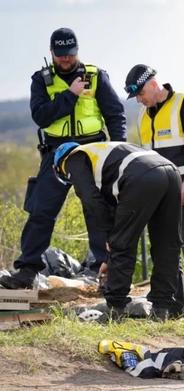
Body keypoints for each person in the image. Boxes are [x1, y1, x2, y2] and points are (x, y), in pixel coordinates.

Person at [0, 28, 126, 290]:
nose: (66, 60)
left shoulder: (96, 76)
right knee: (41, 210)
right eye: (61, 55)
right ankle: (27, 271)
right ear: (51, 53)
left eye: (70, 54)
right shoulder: (41, 80)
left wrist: (119, 153)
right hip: (57, 151)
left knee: (97, 209)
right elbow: (41, 117)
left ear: (77, 50)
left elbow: (115, 115)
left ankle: (106, 270)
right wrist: (70, 95)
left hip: (92, 149)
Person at [52, 141, 183, 320]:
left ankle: (115, 310)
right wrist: (108, 257)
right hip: (171, 171)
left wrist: (110, 237)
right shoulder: (104, 154)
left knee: (123, 245)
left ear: (60, 166)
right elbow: (117, 211)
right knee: (167, 244)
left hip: (141, 176)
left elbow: (90, 198)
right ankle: (162, 309)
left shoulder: (72, 158)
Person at [124, 64, 184, 314]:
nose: (140, 100)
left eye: (141, 94)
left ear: (153, 84)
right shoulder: (144, 117)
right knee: (165, 250)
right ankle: (174, 306)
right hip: (160, 194)